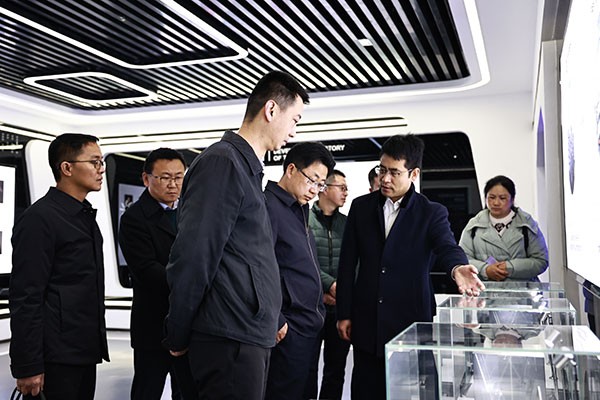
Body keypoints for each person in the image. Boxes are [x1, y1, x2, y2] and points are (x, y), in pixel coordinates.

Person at [164, 70, 308, 399]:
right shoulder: (222, 163)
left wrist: (271, 315)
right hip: (228, 336)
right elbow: (195, 255)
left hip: (245, 331)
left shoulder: (246, 168)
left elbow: (246, 256)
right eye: (295, 120)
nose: (294, 131)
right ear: (271, 110)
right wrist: (177, 332)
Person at [336, 134, 484, 400]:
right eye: (382, 169)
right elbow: (347, 264)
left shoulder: (431, 212)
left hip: (410, 320)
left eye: (394, 172)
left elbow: (446, 246)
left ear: (413, 173)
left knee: (416, 389)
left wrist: (457, 268)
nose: (385, 179)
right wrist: (344, 312)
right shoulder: (360, 208)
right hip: (367, 318)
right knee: (366, 389)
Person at [9, 133, 110, 399]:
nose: (101, 169)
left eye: (101, 162)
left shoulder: (83, 215)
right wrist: (28, 365)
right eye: (94, 162)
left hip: (83, 351)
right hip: (55, 356)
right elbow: (26, 296)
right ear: (66, 168)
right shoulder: (40, 218)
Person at [118, 148, 197, 400]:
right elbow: (146, 270)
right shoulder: (134, 218)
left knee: (187, 390)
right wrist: (192, 284)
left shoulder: (190, 212)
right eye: (165, 178)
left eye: (179, 177)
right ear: (146, 179)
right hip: (153, 323)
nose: (173, 184)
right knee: (148, 390)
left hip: (187, 321)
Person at [263, 142, 335, 400]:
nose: (315, 190)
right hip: (287, 328)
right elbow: (261, 268)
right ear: (291, 169)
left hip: (309, 324)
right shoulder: (268, 207)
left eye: (321, 185)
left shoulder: (299, 208)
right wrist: (276, 318)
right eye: (312, 180)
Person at [307, 169, 350, 400]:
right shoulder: (304, 219)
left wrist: (341, 291)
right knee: (306, 369)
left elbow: (354, 263)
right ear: (324, 188)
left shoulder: (347, 223)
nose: (346, 192)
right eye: (341, 187)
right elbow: (303, 262)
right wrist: (329, 286)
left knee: (336, 371)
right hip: (311, 307)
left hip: (339, 309)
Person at [458, 175, 549, 282]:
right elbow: (462, 258)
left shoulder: (527, 224)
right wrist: (485, 270)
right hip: (486, 289)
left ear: (512, 199)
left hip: (522, 289)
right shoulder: (474, 225)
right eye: (492, 197)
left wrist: (510, 267)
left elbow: (541, 261)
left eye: (502, 198)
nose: (496, 203)